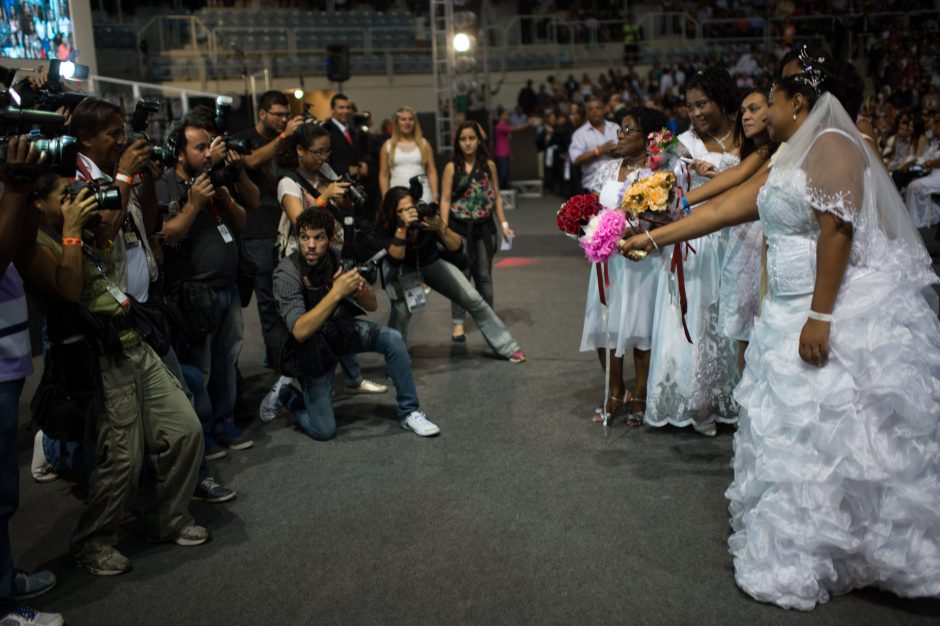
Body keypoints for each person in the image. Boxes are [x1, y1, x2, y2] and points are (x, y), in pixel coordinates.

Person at [621, 67, 940, 611]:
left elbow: (837, 231)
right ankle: (821, 545)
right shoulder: (788, 154)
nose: (764, 111)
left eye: (772, 100)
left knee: (842, 436)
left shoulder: (836, 144)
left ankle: (858, 549)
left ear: (800, 101)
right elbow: (726, 207)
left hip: (831, 307)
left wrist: (820, 315)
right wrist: (653, 236)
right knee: (803, 438)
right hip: (785, 307)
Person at [19, 172, 208, 577]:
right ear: (37, 202)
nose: (75, 200)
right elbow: (68, 291)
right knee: (124, 458)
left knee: (185, 430)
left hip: (133, 342)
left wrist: (94, 221)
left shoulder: (80, 231)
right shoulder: (33, 243)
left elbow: (111, 256)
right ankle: (93, 543)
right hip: (100, 356)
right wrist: (71, 230)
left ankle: (166, 520)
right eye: (64, 195)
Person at [272, 206, 440, 441]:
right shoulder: (287, 273)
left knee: (393, 338)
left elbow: (372, 306)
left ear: (329, 239)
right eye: (304, 237)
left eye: (318, 237)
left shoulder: (338, 257)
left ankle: (409, 411)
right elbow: (300, 331)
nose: (310, 245)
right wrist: (337, 293)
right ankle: (287, 394)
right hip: (311, 348)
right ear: (297, 238)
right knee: (324, 430)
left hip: (340, 331)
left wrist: (360, 289)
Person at [643, 66, 742, 436]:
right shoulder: (682, 144)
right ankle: (697, 399)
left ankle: (736, 396)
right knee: (697, 315)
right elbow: (664, 187)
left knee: (733, 315)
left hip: (737, 234)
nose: (696, 113)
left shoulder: (746, 134)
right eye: (690, 107)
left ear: (721, 100)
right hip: (698, 238)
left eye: (703, 105)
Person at [156, 120, 251, 454]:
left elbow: (240, 223)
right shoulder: (165, 185)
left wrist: (224, 198)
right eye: (200, 147)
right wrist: (194, 203)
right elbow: (166, 235)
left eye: (210, 145)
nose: (209, 152)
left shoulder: (213, 181)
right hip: (196, 294)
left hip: (228, 288)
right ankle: (204, 433)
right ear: (178, 153)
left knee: (228, 361)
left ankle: (225, 423)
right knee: (201, 368)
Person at [1, 137, 63, 625]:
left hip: (9, 355)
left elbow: (18, 247)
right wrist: (17, 191)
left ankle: (5, 578)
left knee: (4, 494)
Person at [581, 107, 668, 425]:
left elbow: (663, 216)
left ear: (647, 138)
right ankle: (615, 390)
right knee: (606, 327)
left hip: (641, 260)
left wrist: (638, 230)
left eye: (627, 130)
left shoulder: (657, 172)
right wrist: (585, 225)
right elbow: (591, 207)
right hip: (607, 262)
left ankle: (641, 392)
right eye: (619, 130)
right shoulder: (607, 169)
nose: (619, 135)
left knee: (640, 328)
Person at [682, 87, 775, 372]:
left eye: (755, 109)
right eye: (744, 110)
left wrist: (682, 203)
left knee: (761, 323)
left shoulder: (771, 152)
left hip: (758, 232)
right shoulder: (745, 150)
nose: (746, 116)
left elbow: (737, 182)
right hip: (736, 235)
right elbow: (731, 179)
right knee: (741, 327)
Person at [379, 186, 525, 363]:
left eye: (410, 208)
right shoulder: (386, 225)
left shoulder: (424, 216)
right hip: (401, 270)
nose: (407, 213)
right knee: (400, 312)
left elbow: (456, 246)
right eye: (400, 211)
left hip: (430, 262)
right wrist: (402, 228)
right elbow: (395, 259)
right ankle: (396, 361)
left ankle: (508, 347)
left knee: (473, 298)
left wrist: (440, 226)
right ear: (392, 213)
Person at [233, 90, 304, 345]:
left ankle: (289, 352)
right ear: (262, 113)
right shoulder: (243, 139)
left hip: (285, 227)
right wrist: (286, 136)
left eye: (287, 115)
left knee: (291, 294)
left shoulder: (287, 142)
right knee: (268, 302)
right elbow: (251, 162)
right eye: (278, 115)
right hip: (257, 230)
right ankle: (278, 360)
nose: (284, 120)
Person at [440, 121, 515, 344]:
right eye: (463, 139)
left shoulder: (489, 166)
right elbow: (444, 199)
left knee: (484, 276)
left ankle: (489, 321)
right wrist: (442, 229)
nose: (468, 143)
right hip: (458, 228)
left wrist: (503, 224)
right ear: (457, 142)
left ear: (478, 140)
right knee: (460, 278)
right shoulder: (452, 168)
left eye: (471, 138)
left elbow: (497, 197)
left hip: (484, 228)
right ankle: (458, 323)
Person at [378, 106, 439, 204]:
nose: (407, 122)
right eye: (403, 119)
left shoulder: (424, 144)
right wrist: (385, 197)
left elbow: (432, 171)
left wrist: (435, 194)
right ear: (397, 122)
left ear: (415, 122)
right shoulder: (388, 145)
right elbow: (383, 175)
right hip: (397, 195)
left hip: (423, 194)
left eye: (411, 119)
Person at [568, 96, 619, 195]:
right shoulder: (580, 133)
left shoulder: (615, 127)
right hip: (592, 186)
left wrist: (617, 150)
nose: (594, 111)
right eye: (590, 109)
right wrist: (598, 150)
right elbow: (576, 160)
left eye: (598, 108)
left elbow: (626, 150)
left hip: (617, 184)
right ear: (587, 113)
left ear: (604, 110)